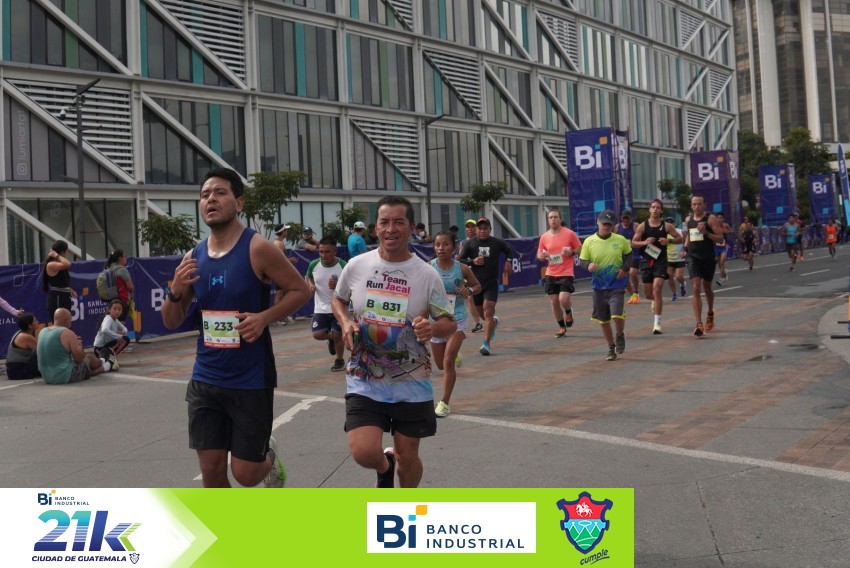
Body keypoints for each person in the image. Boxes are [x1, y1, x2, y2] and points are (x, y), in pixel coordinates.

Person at [161, 167, 311, 489]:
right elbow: (171, 320)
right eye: (205, 195)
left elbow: (301, 290)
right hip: (206, 376)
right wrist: (175, 290)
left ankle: (269, 459)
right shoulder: (193, 257)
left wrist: (264, 317)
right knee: (211, 470)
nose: (211, 199)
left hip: (250, 378)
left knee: (246, 474)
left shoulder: (257, 248)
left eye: (220, 192)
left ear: (239, 202)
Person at [331, 195, 455, 489]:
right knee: (363, 452)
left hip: (411, 381)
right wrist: (346, 322)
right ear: (375, 228)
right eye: (384, 222)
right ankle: (384, 467)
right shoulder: (357, 266)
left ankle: (404, 505)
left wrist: (432, 327)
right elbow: (338, 299)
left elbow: (448, 321)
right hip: (365, 376)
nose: (391, 229)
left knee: (407, 458)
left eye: (399, 222)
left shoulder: (427, 275)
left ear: (411, 227)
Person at [430, 231, 481, 418]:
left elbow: (477, 286)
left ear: (453, 247)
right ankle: (455, 351)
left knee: (448, 361)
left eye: (445, 244)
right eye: (437, 245)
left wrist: (469, 291)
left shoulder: (462, 268)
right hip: (436, 320)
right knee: (440, 365)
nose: (441, 248)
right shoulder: (429, 268)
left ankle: (444, 403)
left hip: (457, 318)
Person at [579, 211, 632, 361]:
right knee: (603, 320)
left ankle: (620, 334)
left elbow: (629, 256)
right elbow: (582, 261)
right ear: (598, 222)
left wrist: (624, 268)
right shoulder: (589, 241)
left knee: (616, 314)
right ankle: (611, 348)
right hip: (599, 287)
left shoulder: (620, 240)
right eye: (604, 224)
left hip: (616, 285)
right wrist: (588, 265)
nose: (607, 227)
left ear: (613, 225)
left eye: (609, 224)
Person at [457, 217, 515, 356]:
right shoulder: (470, 243)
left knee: (488, 310)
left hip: (491, 283)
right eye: (480, 228)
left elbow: (509, 251)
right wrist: (473, 261)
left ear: (490, 229)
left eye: (485, 228)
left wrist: (508, 262)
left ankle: (486, 343)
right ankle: (493, 322)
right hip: (476, 284)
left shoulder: (497, 242)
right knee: (483, 314)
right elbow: (460, 260)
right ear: (476, 230)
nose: (482, 231)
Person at [631, 200, 681, 334]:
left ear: (661, 210)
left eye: (658, 208)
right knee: (648, 294)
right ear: (649, 209)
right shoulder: (642, 226)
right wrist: (644, 242)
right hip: (646, 261)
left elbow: (679, 239)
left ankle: (657, 323)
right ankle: (653, 300)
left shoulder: (667, 226)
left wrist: (668, 240)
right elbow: (633, 243)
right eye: (653, 207)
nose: (655, 210)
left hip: (661, 261)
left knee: (657, 289)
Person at [536, 209, 581, 337]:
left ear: (560, 219)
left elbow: (579, 247)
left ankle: (568, 311)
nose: (553, 219)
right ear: (548, 220)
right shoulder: (544, 237)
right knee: (554, 301)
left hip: (566, 272)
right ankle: (561, 326)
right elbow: (539, 254)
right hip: (551, 273)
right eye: (550, 217)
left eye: (555, 217)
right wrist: (542, 256)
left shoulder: (569, 234)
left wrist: (571, 252)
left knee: (563, 299)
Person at [37, 308, 112, 384]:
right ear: (66, 321)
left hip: (47, 377)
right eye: (70, 320)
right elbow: (79, 360)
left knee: (79, 367)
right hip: (65, 375)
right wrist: (79, 345)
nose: (71, 323)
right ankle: (104, 363)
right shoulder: (67, 333)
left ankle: (103, 362)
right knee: (89, 358)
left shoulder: (42, 331)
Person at [683, 195, 723, 336]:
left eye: (699, 204)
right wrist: (685, 248)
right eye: (694, 204)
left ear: (704, 205)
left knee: (707, 288)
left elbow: (720, 239)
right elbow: (689, 236)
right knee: (695, 288)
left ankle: (710, 312)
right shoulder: (688, 220)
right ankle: (699, 324)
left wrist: (706, 233)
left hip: (707, 257)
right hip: (693, 257)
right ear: (691, 206)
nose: (697, 206)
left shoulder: (710, 219)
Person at [306, 237, 347, 372]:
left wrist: (338, 286)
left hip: (338, 306)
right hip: (320, 307)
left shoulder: (344, 266)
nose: (323, 255)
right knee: (317, 334)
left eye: (327, 252)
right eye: (321, 252)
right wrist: (311, 285)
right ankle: (331, 338)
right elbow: (308, 276)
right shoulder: (313, 265)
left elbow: (352, 286)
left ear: (334, 251)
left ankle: (339, 360)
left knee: (338, 334)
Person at [41, 240, 76, 325]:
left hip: (64, 296)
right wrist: (57, 255)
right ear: (63, 252)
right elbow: (68, 264)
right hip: (57, 297)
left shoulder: (59, 264)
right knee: (59, 324)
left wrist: (68, 289)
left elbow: (60, 282)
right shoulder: (51, 264)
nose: (66, 254)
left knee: (67, 322)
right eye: (66, 252)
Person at [457, 220, 482, 333]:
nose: (470, 229)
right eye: (468, 227)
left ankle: (489, 318)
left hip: (480, 273)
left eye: (472, 226)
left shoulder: (480, 241)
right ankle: (478, 323)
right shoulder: (463, 242)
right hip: (468, 273)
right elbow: (460, 258)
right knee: (470, 297)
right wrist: (460, 258)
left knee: (481, 299)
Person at [272, 224, 299, 326]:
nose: (287, 232)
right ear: (282, 232)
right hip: (279, 273)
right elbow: (278, 260)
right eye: (285, 230)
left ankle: (282, 316)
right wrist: (290, 260)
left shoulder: (279, 242)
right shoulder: (278, 244)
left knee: (283, 294)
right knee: (279, 294)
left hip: (281, 272)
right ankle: (276, 318)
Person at [614, 210, 641, 304]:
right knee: (624, 277)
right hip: (623, 256)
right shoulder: (617, 227)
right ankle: (631, 294)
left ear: (631, 218)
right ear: (621, 218)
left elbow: (641, 238)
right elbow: (614, 240)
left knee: (633, 273)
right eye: (624, 218)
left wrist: (634, 243)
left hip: (634, 254)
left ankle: (636, 291)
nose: (625, 220)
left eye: (627, 218)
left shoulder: (635, 226)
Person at [102, 249, 135, 321]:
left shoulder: (107, 268)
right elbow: (130, 286)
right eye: (125, 256)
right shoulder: (122, 269)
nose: (126, 258)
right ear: (120, 258)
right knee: (120, 324)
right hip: (122, 300)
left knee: (111, 323)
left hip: (110, 302)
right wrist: (132, 292)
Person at [6, 312, 40, 380]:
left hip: (12, 371)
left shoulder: (19, 333)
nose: (38, 322)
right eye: (35, 321)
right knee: (39, 354)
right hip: (19, 371)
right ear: (29, 325)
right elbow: (43, 351)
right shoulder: (26, 337)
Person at [665, 217, 687, 301]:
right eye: (668, 223)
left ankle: (682, 284)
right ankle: (674, 293)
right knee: (669, 277)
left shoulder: (680, 231)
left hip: (679, 258)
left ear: (674, 224)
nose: (670, 224)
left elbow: (687, 240)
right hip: (669, 258)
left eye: (671, 223)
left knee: (679, 276)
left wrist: (685, 250)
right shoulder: (663, 233)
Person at [714, 212, 733, 285]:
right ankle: (724, 273)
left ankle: (721, 280)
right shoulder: (714, 226)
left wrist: (727, 231)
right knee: (720, 265)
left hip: (725, 246)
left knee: (722, 262)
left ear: (723, 219)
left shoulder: (726, 225)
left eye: (720, 218)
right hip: (717, 247)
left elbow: (732, 232)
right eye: (718, 218)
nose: (719, 219)